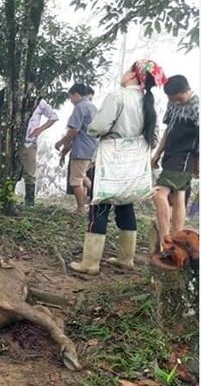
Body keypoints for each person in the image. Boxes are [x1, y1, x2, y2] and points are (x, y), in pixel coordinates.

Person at [69, 59, 168, 275]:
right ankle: (126, 258)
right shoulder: (147, 101)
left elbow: (99, 126)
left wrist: (98, 131)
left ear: (133, 74)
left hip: (111, 160)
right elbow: (154, 136)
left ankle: (90, 263)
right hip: (133, 163)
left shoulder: (118, 96)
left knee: (100, 205)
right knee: (125, 204)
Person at [151, 75, 199, 248]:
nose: (176, 103)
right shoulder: (172, 103)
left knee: (158, 193)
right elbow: (168, 130)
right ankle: (177, 239)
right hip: (170, 154)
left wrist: (198, 163)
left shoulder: (197, 107)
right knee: (179, 195)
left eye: (179, 99)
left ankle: (166, 239)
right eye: (173, 100)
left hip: (185, 156)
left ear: (187, 91)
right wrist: (157, 154)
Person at [55, 84, 98, 214]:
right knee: (82, 176)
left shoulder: (80, 107)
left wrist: (61, 142)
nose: (70, 101)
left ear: (76, 95)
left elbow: (74, 130)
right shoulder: (93, 107)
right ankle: (98, 198)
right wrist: (66, 150)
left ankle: (81, 208)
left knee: (75, 181)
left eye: (70, 97)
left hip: (83, 149)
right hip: (93, 148)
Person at [20, 74, 59, 206]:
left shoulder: (39, 102)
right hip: (13, 141)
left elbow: (53, 116)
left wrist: (39, 129)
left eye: (29, 84)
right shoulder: (15, 99)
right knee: (11, 172)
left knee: (29, 173)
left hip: (29, 142)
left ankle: (29, 202)